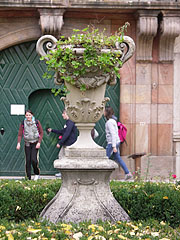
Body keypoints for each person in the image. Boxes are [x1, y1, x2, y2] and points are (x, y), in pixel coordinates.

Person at [104, 106, 132, 180]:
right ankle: (127, 173)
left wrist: (113, 146)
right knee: (118, 158)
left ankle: (103, 176)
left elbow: (113, 134)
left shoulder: (109, 122)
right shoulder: (113, 121)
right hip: (116, 142)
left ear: (107, 112)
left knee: (105, 158)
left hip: (112, 143)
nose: (103, 112)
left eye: (104, 111)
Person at [47, 109, 77, 177]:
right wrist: (52, 130)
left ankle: (65, 173)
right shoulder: (68, 122)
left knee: (64, 157)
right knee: (62, 156)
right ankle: (63, 172)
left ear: (67, 114)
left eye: (63, 113)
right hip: (66, 143)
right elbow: (62, 131)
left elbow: (67, 134)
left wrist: (60, 143)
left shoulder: (70, 123)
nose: (62, 115)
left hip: (69, 144)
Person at [16, 110, 43, 180]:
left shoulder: (36, 122)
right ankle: (28, 177)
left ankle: (36, 173)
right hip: (27, 143)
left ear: (32, 115)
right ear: (25, 116)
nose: (28, 116)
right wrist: (18, 143)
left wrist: (39, 142)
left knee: (34, 159)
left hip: (35, 143)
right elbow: (20, 134)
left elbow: (41, 132)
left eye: (29, 115)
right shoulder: (23, 123)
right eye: (27, 115)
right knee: (28, 160)